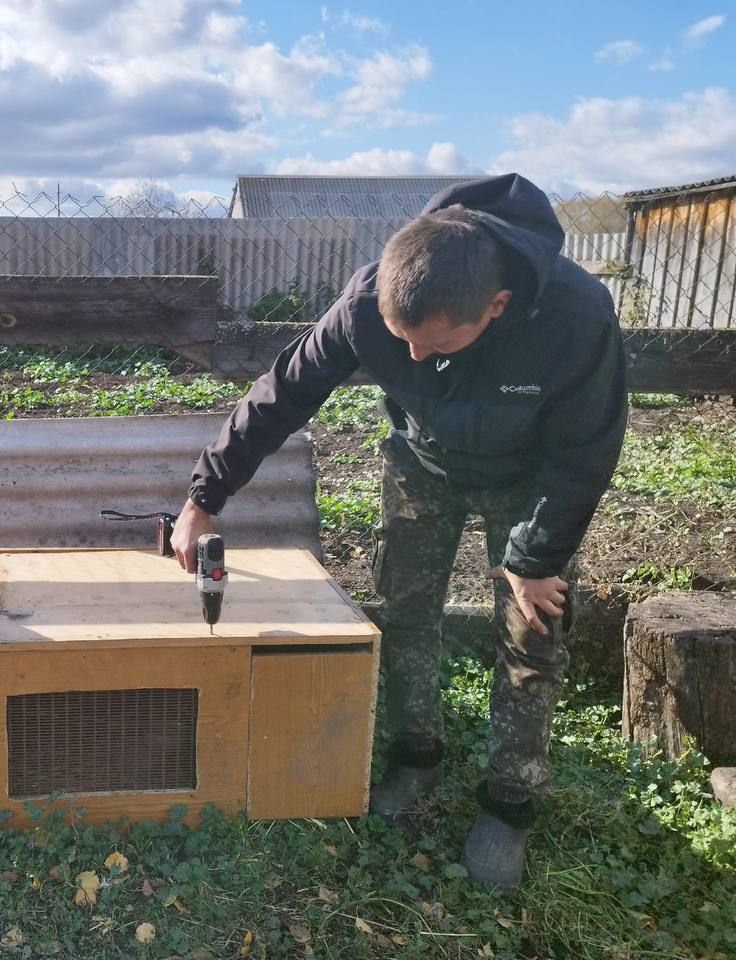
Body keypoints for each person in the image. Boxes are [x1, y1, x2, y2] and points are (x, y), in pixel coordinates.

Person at [170, 173, 627, 891]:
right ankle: (418, 755)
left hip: (530, 477)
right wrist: (204, 497)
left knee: (532, 634)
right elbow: (282, 392)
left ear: (497, 306)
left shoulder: (576, 316)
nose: (412, 359)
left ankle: (509, 801)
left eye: (432, 343)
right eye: (400, 340)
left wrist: (536, 558)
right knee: (407, 612)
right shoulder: (365, 301)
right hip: (423, 463)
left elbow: (587, 451)